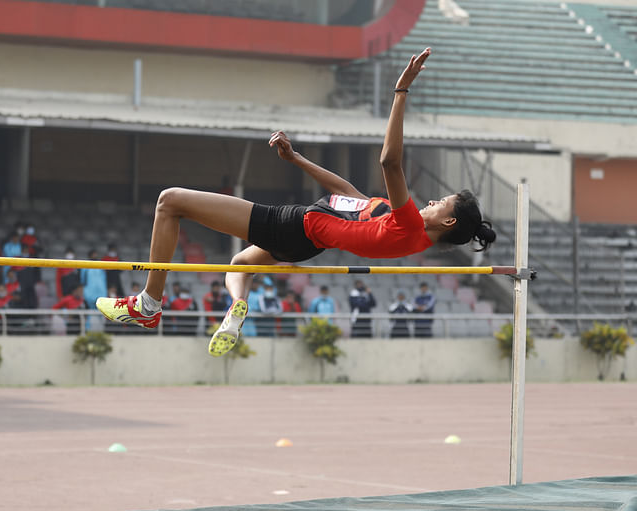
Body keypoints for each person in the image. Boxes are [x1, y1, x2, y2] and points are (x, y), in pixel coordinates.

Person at [95, 48, 496, 357]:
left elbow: (389, 160)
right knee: (239, 265)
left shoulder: (410, 225)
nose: (432, 200)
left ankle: (148, 304)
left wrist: (400, 91)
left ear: (447, 223)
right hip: (307, 245)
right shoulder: (405, 233)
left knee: (170, 202)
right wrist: (297, 158)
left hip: (295, 225)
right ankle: (236, 308)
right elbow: (348, 195)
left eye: (442, 202)